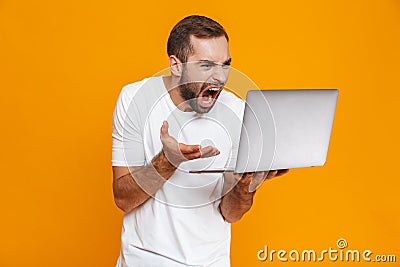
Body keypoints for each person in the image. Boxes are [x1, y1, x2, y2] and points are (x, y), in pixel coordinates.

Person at [111, 15, 289, 267]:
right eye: (206, 66)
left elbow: (231, 212)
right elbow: (123, 198)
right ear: (175, 65)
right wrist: (167, 161)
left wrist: (245, 183)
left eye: (225, 65)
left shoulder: (239, 113)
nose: (219, 77)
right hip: (144, 260)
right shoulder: (134, 100)